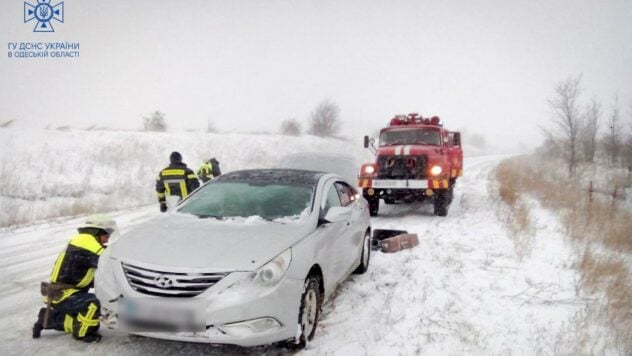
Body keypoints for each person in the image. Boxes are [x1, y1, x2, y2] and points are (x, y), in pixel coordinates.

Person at [32, 214, 117, 343]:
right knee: (96, 303)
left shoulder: (84, 241)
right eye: (106, 236)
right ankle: (82, 334)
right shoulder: (85, 241)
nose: (107, 240)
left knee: (93, 315)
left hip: (64, 292)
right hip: (63, 294)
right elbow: (108, 261)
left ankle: (48, 319)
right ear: (95, 231)